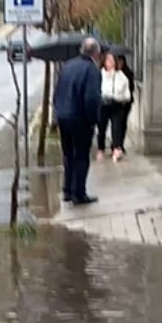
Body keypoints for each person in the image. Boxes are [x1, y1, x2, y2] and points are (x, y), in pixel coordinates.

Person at [54, 37, 103, 205]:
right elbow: (92, 98)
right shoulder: (92, 70)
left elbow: (57, 91)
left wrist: (57, 113)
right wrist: (93, 120)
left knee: (68, 155)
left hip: (63, 117)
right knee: (81, 156)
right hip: (80, 119)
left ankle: (67, 190)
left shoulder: (67, 66)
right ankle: (79, 193)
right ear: (96, 53)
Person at [100, 54, 132, 162]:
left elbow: (127, 94)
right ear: (104, 62)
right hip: (103, 104)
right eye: (108, 60)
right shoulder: (100, 74)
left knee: (117, 127)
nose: (110, 62)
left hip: (117, 104)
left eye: (112, 60)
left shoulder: (121, 76)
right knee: (101, 128)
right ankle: (101, 148)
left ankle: (117, 148)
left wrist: (121, 97)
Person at [117, 53, 136, 155]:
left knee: (123, 123)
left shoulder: (128, 73)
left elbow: (131, 88)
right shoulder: (113, 73)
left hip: (126, 102)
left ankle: (120, 143)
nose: (120, 63)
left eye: (121, 60)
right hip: (116, 102)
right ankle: (116, 143)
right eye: (118, 61)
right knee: (117, 124)